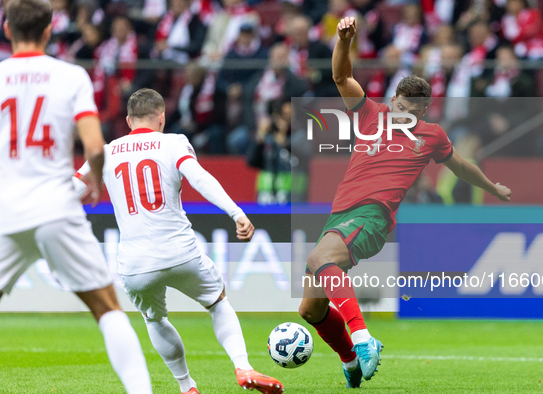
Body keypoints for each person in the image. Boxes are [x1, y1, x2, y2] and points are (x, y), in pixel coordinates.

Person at [298, 16, 512, 389]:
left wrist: (492, 187)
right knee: (311, 308)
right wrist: (343, 40)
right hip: (342, 214)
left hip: (373, 215)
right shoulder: (369, 113)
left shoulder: (431, 136)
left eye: (414, 113)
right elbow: (341, 77)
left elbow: (462, 167)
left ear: (424, 112)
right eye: (401, 108)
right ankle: (349, 360)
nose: (405, 116)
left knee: (318, 260)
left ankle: (364, 341)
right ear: (392, 100)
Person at [73, 89, 284, 394]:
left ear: (129, 120)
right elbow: (199, 178)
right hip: (180, 252)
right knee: (217, 301)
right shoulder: (173, 142)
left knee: (154, 318)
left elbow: (70, 191)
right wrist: (236, 212)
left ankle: (187, 388)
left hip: (134, 264)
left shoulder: (106, 151)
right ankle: (243, 367)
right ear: (161, 117)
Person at [0, 1, 152, 393]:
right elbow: (95, 148)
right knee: (106, 308)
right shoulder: (71, 77)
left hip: (6, 210)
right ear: (50, 31)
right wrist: (96, 182)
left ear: (6, 29)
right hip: (55, 206)